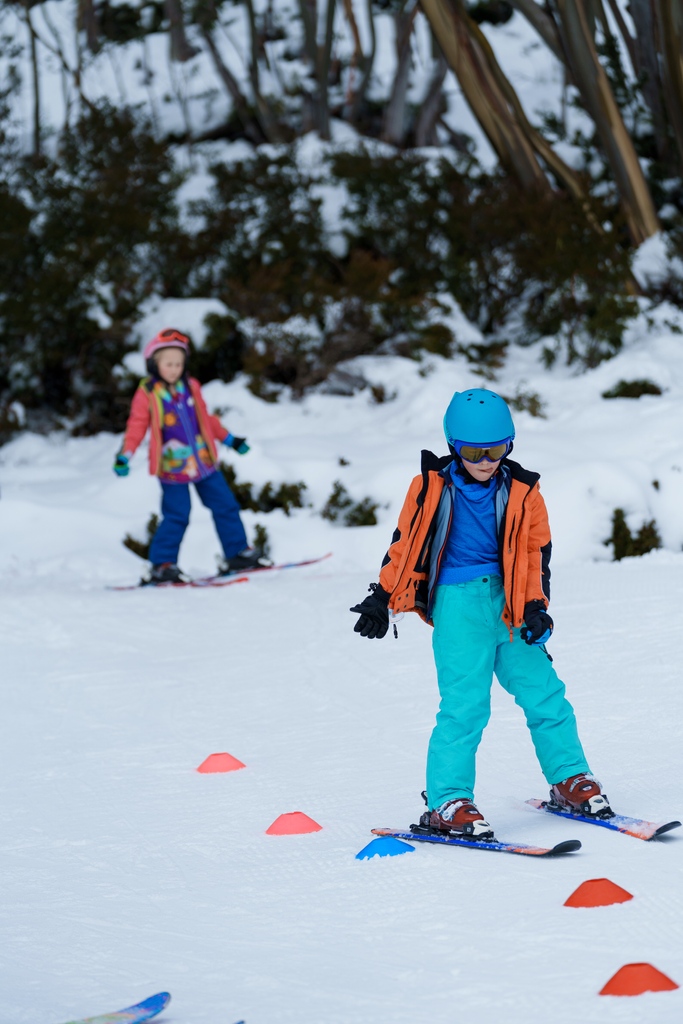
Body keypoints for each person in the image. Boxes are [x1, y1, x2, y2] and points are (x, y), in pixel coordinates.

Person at [350, 387, 611, 839]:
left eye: (498, 449)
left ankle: (570, 777)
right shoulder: (431, 486)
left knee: (544, 692)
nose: (487, 460)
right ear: (454, 446)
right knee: (465, 706)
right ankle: (448, 801)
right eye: (475, 451)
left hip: (510, 606)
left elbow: (535, 554)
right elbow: (404, 544)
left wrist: (535, 607)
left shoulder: (524, 491)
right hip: (457, 606)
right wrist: (382, 596)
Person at [113, 327, 272, 584]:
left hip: (204, 461)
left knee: (225, 504)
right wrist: (125, 455)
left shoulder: (191, 386)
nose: (174, 369)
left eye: (179, 363)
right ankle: (162, 565)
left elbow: (206, 420)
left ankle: (237, 553)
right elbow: (137, 426)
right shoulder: (148, 393)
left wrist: (229, 439)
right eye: (168, 364)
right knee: (177, 514)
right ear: (154, 364)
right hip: (172, 467)